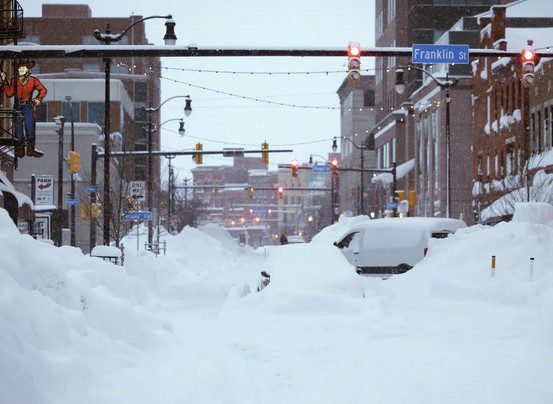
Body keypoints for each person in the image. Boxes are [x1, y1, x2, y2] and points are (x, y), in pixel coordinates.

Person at [1, 59, 47, 158]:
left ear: (27, 69)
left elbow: (43, 90)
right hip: (17, 106)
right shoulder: (14, 80)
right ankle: (20, 149)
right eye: (20, 67)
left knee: (30, 126)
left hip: (27, 105)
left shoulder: (33, 80)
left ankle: (31, 149)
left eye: (24, 67)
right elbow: (9, 93)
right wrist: (4, 81)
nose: (22, 69)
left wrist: (37, 100)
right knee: (18, 128)